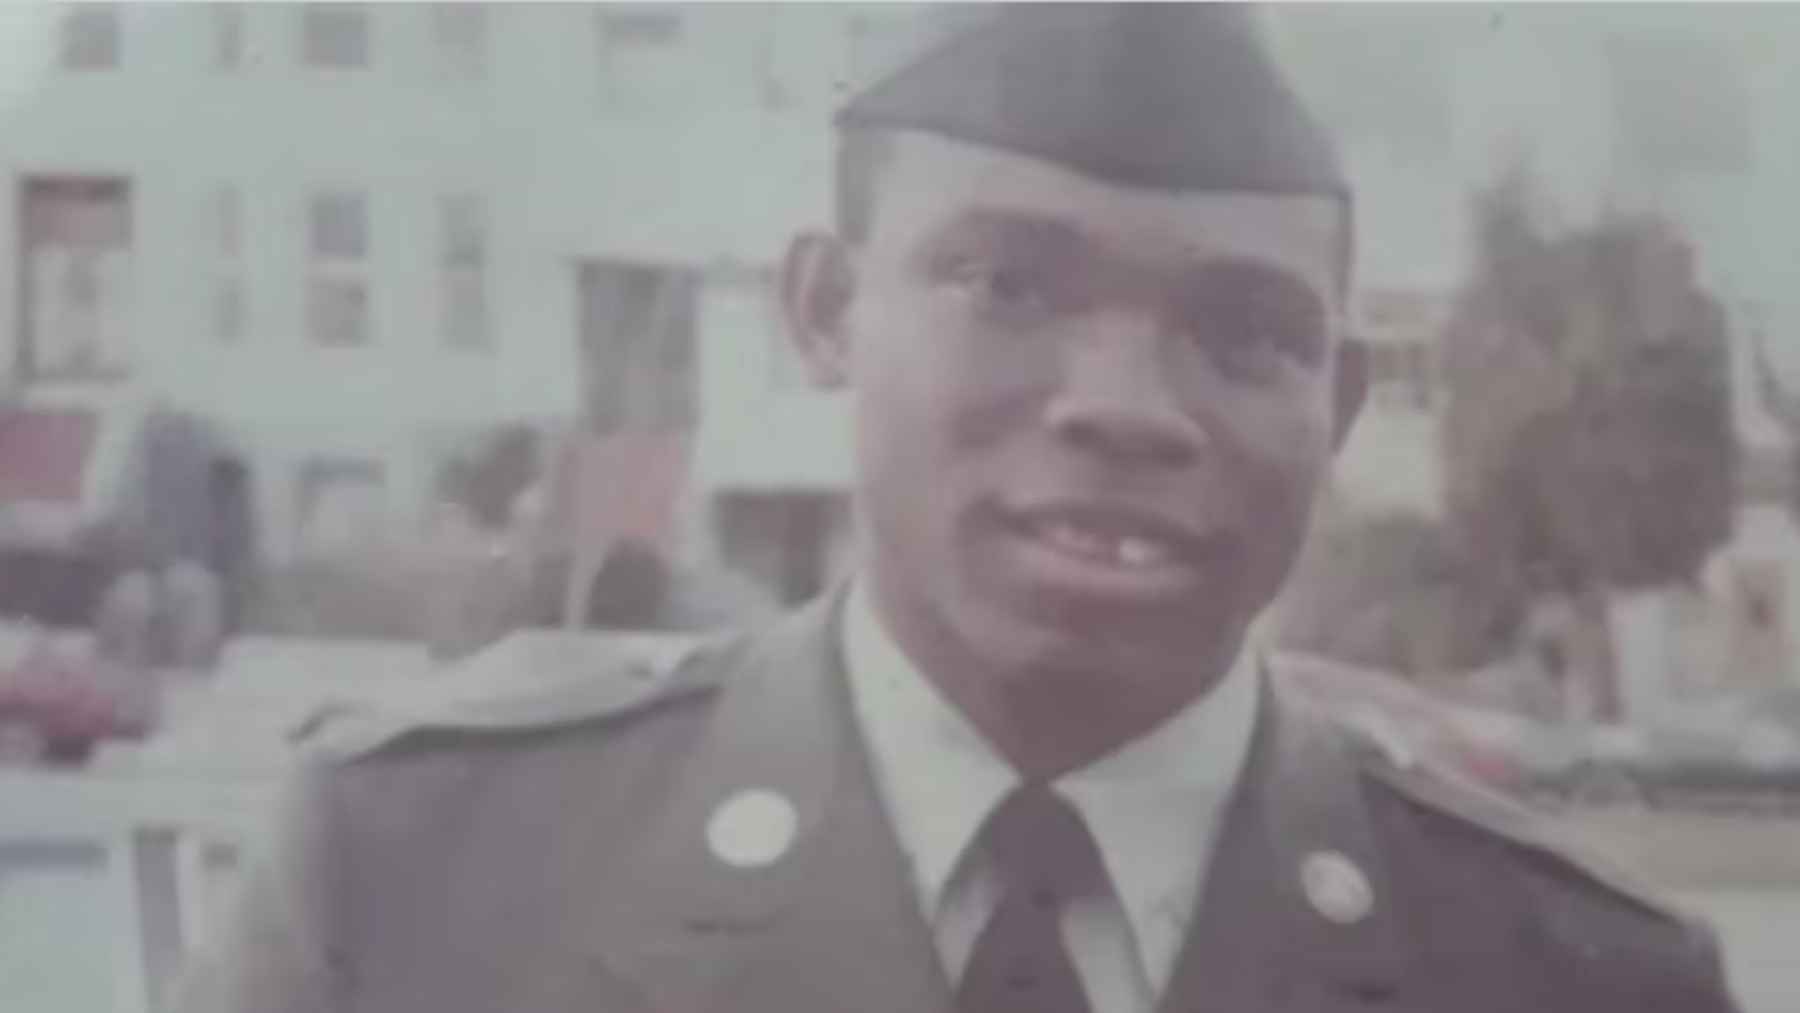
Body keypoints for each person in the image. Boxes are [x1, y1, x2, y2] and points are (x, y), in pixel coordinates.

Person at [181, 7, 1739, 1013]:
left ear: (1333, 413)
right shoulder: (417, 885)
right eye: (1009, 281)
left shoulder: (1579, 979)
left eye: (1243, 328)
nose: (1123, 403)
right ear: (826, 312)